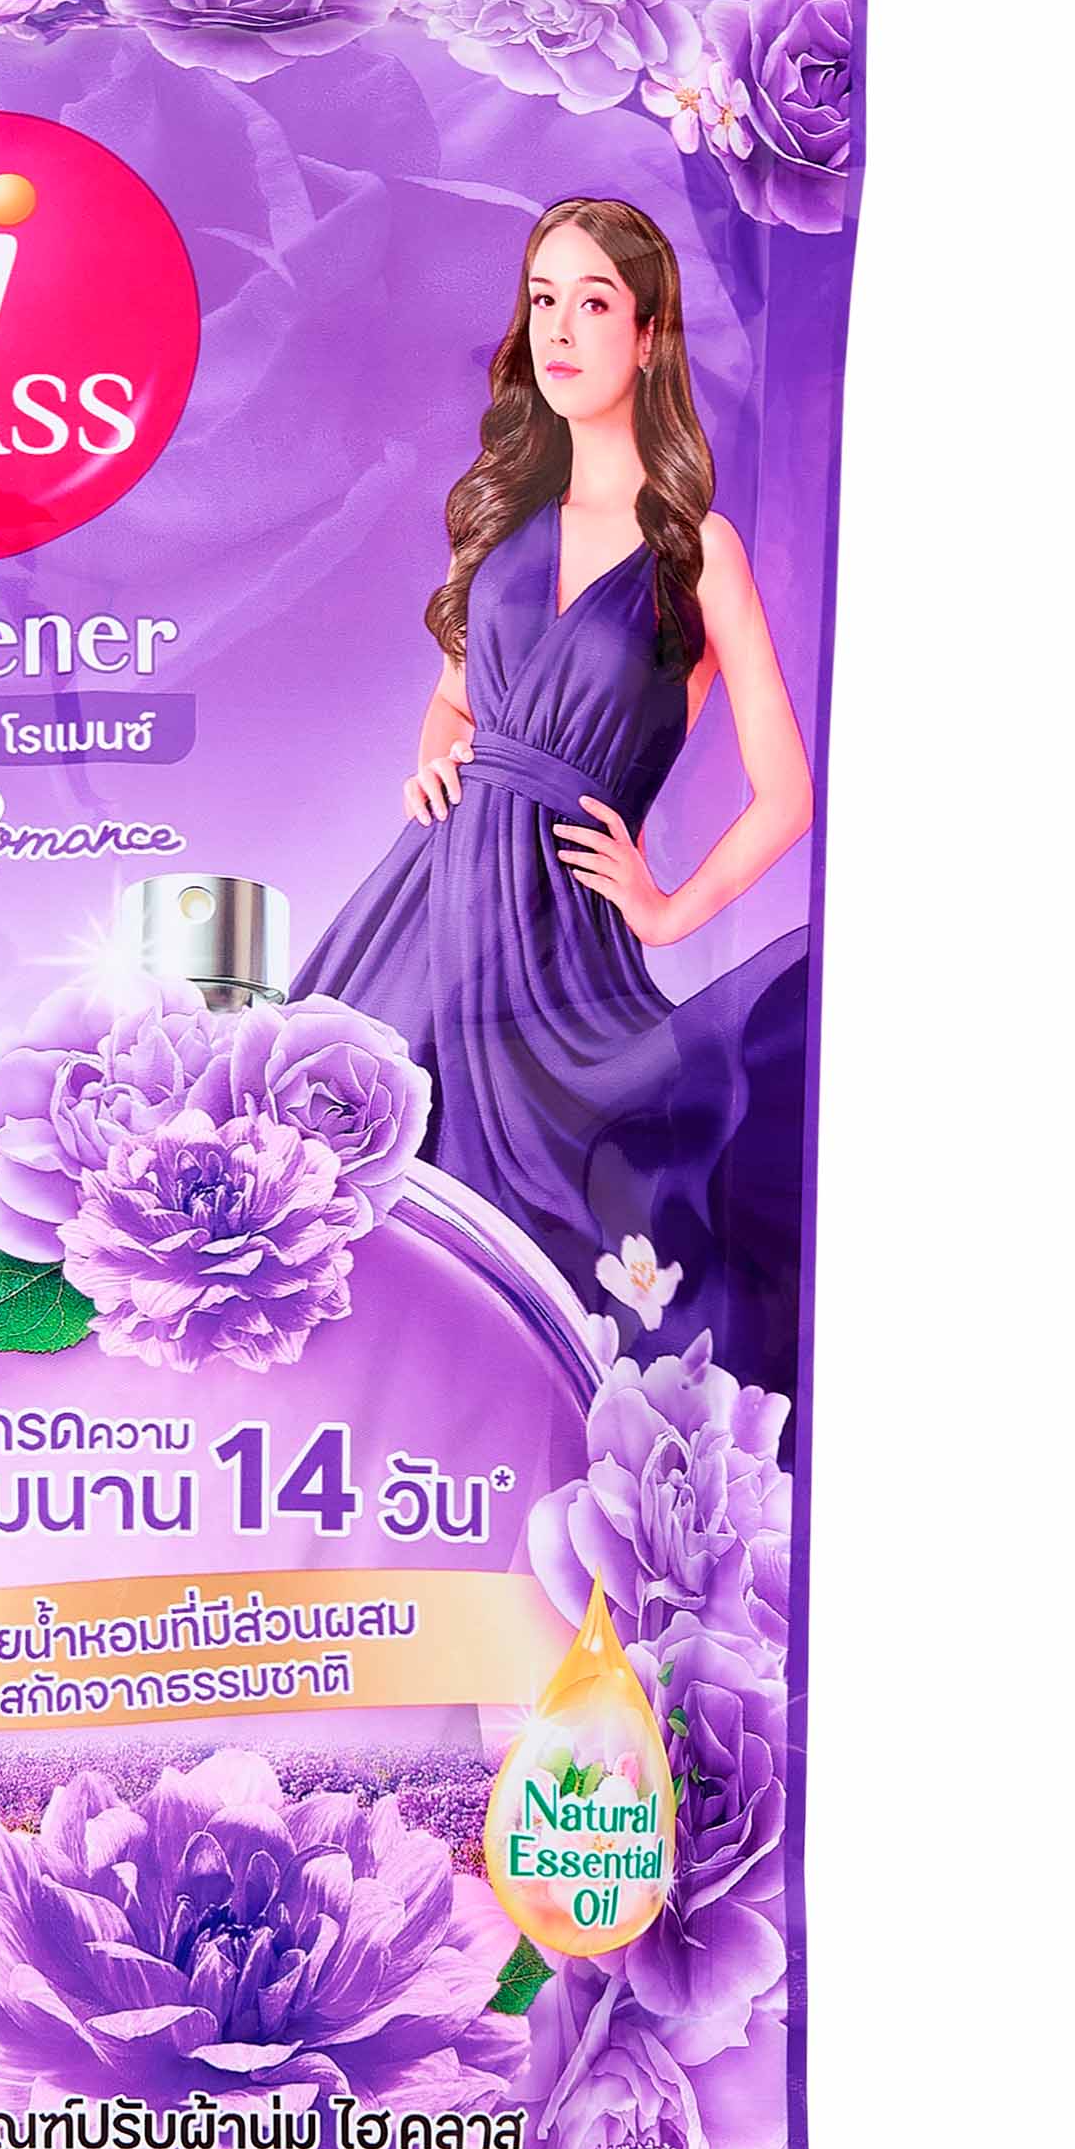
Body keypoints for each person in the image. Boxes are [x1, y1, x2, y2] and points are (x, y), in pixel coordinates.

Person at [296, 196, 814, 1406]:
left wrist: (666, 910)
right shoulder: (498, 527)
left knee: (574, 1214)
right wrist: (434, 757)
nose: (560, 330)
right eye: (542, 301)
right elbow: (454, 703)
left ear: (648, 334)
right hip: (420, 906)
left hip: (560, 946)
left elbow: (785, 793)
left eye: (593, 303)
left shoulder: (696, 550)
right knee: (342, 1176)